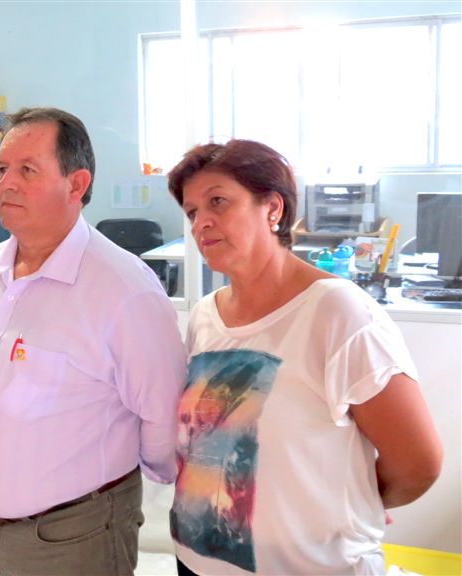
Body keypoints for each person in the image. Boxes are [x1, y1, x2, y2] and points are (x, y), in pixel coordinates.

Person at [166, 139, 443, 575]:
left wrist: (359, 499)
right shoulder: (204, 316)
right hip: (197, 564)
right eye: (192, 211)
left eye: (218, 201)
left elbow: (418, 463)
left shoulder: (337, 313)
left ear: (272, 208)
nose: (202, 222)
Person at [0, 107, 186, 575]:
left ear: (76, 185)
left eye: (27, 170)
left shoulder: (123, 288)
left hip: (71, 536)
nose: (7, 184)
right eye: (2, 169)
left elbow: (164, 416)